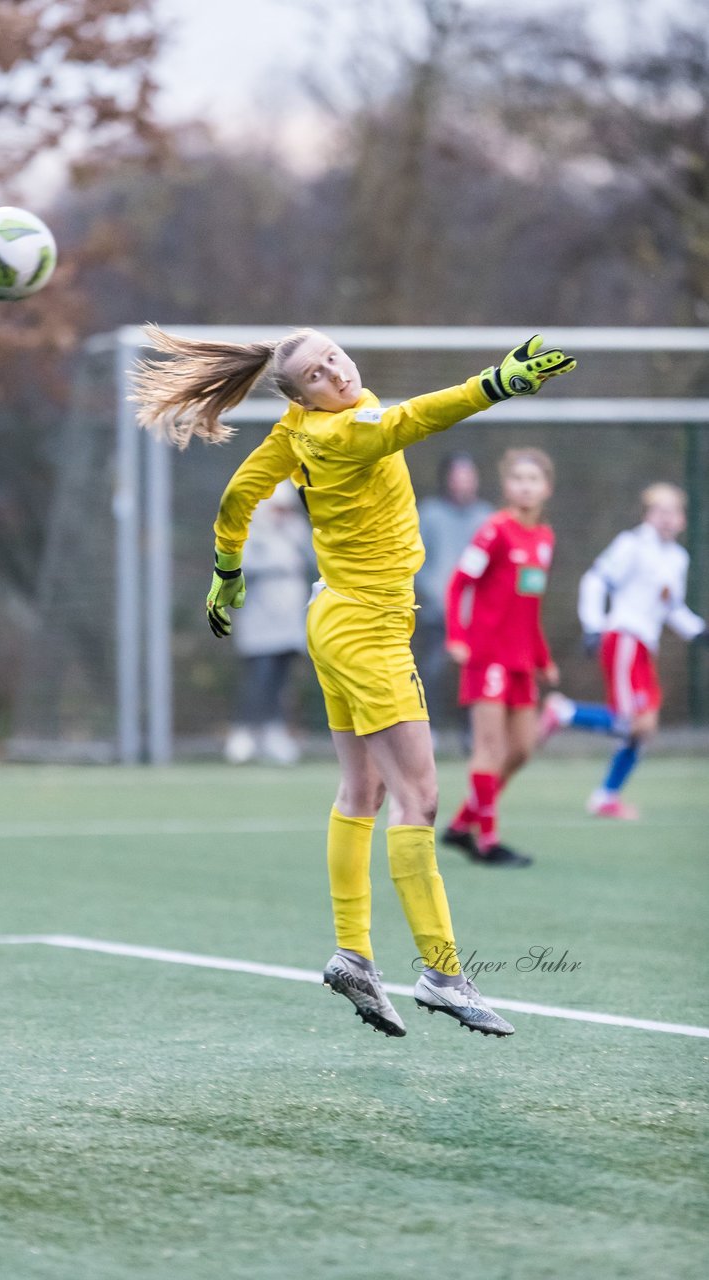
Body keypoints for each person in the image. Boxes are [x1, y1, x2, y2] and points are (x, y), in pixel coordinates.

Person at [130, 327, 575, 1039]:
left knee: (360, 791)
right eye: (315, 372)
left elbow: (238, 496)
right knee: (419, 798)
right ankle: (441, 973)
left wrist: (226, 573)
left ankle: (353, 954)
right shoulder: (348, 430)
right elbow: (414, 418)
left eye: (332, 356)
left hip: (331, 615)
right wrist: (496, 383)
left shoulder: (297, 428)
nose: (334, 371)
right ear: (303, 394)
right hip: (366, 630)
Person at [539, 482, 707, 818]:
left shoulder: (677, 558)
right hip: (624, 638)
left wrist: (699, 632)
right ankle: (565, 712)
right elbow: (595, 581)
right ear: (647, 515)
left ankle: (606, 796)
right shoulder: (631, 545)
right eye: (659, 511)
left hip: (646, 646)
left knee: (645, 727)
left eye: (673, 511)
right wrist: (593, 625)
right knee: (630, 722)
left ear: (683, 519)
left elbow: (670, 607)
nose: (667, 518)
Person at [441, 448, 559, 868]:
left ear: (547, 487)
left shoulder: (544, 538)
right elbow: (459, 584)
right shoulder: (494, 531)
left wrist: (543, 657)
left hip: (521, 662)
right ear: (506, 486)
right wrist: (458, 636)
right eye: (518, 478)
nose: (525, 486)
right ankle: (488, 841)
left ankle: (460, 824)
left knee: (523, 750)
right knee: (489, 750)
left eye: (534, 479)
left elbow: (530, 607)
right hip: (486, 657)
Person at [224, 479, 314, 765]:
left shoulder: (296, 532)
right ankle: (245, 733)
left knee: (280, 679)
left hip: (289, 621)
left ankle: (275, 733)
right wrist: (275, 564)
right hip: (260, 621)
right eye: (276, 509)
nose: (281, 514)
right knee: (259, 678)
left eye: (285, 509)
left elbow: (312, 559)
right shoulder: (251, 534)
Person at [414, 452, 493, 738]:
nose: (463, 482)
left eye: (468, 475)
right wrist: (436, 595)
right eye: (458, 476)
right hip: (439, 611)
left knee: (474, 673)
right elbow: (417, 562)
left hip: (477, 613)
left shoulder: (486, 516)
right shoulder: (431, 514)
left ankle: (472, 731)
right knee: (433, 670)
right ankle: (428, 729)